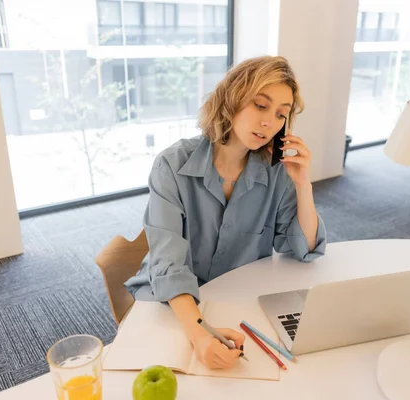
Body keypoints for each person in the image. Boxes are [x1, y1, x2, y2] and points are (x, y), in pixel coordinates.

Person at [125, 55, 327, 370]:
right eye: (260, 105)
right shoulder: (172, 165)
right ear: (231, 101)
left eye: (280, 114)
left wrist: (303, 186)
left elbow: (303, 248)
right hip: (172, 302)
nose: (268, 122)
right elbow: (168, 265)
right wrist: (199, 333)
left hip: (239, 300)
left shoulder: (276, 172)